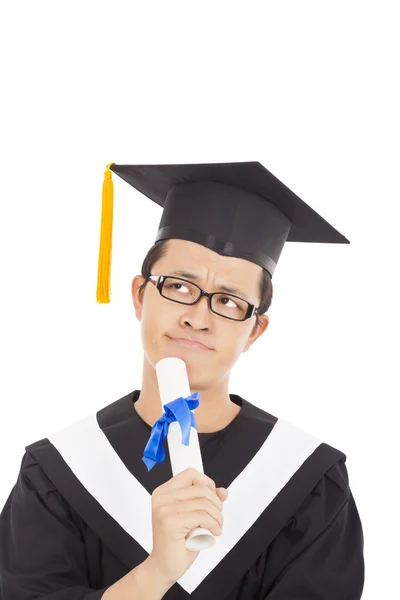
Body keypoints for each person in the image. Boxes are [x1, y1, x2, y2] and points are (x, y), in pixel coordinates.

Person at [0, 161, 365, 599]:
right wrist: (156, 573)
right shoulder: (57, 472)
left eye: (229, 301)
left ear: (255, 330)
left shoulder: (308, 481)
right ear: (139, 295)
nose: (197, 317)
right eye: (178, 286)